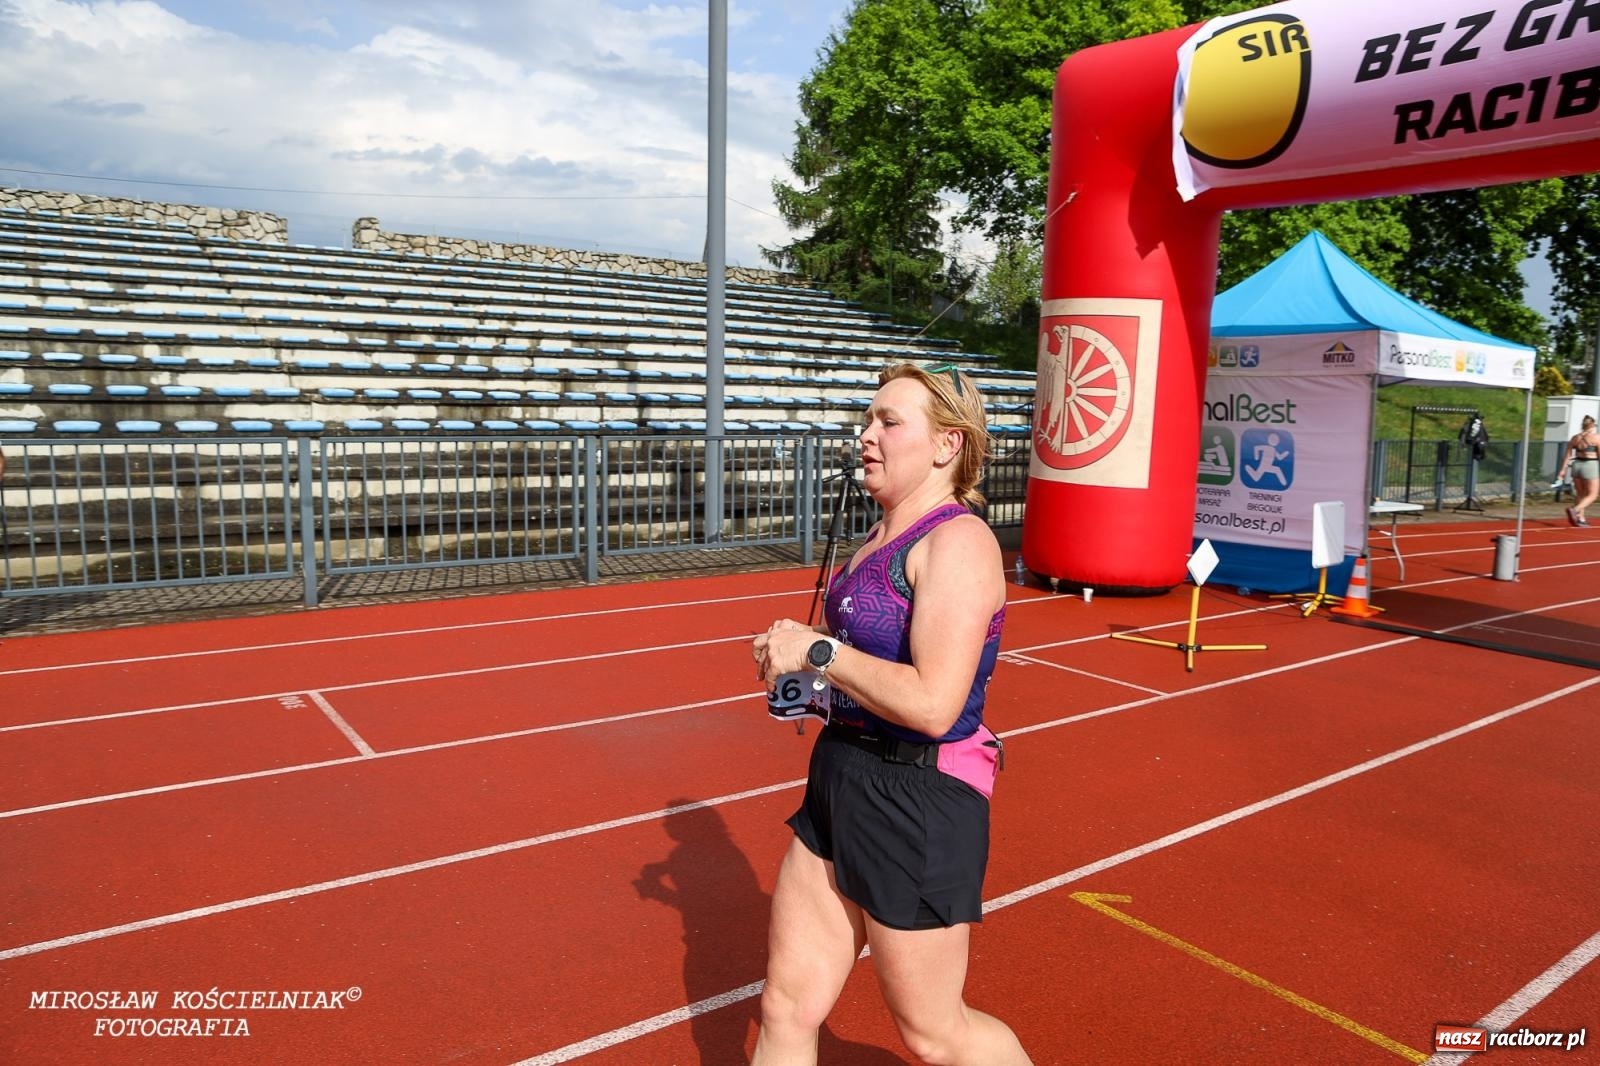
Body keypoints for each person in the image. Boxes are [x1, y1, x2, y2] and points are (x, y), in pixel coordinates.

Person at [750, 363, 1031, 1065]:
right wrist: (810, 682)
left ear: (946, 446)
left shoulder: (958, 542)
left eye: (889, 422)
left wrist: (816, 650)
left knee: (936, 1037)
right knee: (786, 1004)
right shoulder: (877, 538)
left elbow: (935, 704)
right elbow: (859, 669)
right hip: (840, 777)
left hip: (918, 798)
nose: (866, 436)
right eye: (868, 420)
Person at [1559, 414, 1600, 527]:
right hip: (1590, 465)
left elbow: (1567, 455)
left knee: (1580, 493)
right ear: (1592, 425)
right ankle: (1575, 510)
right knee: (1593, 494)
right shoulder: (1596, 437)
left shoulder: (1575, 438)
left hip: (1576, 465)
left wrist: (1562, 471)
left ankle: (1580, 519)